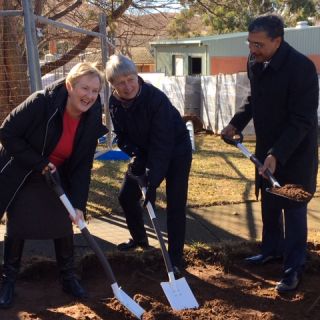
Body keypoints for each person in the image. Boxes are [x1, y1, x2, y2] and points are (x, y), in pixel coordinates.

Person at [221, 14, 319, 292]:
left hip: (296, 149)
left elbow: (303, 119)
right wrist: (235, 123)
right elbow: (254, 100)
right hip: (267, 146)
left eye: (259, 44)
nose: (252, 50)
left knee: (294, 205)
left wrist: (278, 153)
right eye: (250, 43)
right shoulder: (255, 62)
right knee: (270, 201)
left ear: (278, 41)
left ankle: (293, 267)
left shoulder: (302, 68)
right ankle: (271, 250)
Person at [0, 62, 107, 308]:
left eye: (95, 90)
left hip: (58, 176)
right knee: (18, 223)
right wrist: (39, 162)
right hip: (22, 169)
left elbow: (82, 167)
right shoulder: (42, 102)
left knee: (63, 222)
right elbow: (7, 133)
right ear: (69, 86)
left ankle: (68, 278)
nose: (89, 95)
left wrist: (79, 205)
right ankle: (8, 281)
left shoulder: (91, 120)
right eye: (84, 88)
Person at [105, 54, 193, 276]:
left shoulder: (155, 99)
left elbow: (162, 144)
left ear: (137, 76)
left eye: (131, 79)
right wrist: (135, 156)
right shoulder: (114, 101)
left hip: (176, 150)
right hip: (144, 151)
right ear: (112, 85)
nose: (127, 86)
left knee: (175, 203)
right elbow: (121, 135)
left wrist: (151, 183)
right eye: (120, 83)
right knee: (126, 196)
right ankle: (139, 239)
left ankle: (175, 259)